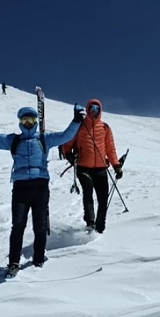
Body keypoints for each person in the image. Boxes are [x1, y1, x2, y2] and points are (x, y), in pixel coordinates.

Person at [0, 104, 86, 276]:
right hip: (20, 189)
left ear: (35, 121)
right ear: (20, 122)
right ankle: (13, 262)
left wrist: (76, 119)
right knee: (18, 226)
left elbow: (66, 136)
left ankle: (38, 259)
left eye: (31, 120)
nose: (28, 123)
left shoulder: (44, 139)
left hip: (40, 187)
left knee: (40, 226)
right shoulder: (13, 140)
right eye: (24, 120)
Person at [62, 99, 122, 234]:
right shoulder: (80, 126)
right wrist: (68, 154)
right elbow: (68, 143)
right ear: (88, 109)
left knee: (103, 198)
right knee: (88, 191)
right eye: (91, 108)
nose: (94, 111)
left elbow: (110, 149)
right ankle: (90, 222)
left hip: (101, 168)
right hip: (83, 167)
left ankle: (100, 227)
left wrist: (116, 166)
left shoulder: (105, 128)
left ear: (100, 111)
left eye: (97, 108)